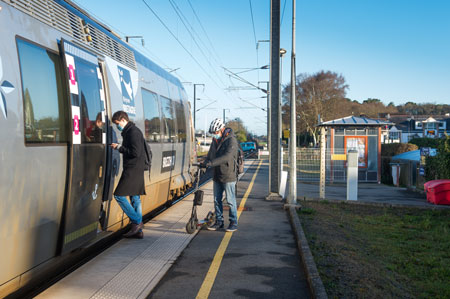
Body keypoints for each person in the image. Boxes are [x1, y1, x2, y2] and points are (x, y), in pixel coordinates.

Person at [110, 111, 146, 239]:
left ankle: (137, 222)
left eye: (117, 123)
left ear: (124, 120)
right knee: (135, 197)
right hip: (135, 168)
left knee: (118, 195)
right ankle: (138, 231)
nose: (117, 126)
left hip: (133, 169)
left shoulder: (133, 132)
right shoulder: (130, 131)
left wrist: (119, 148)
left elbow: (135, 152)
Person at [201, 118, 239, 232]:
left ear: (221, 130)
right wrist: (204, 163)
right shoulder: (215, 140)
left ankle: (233, 222)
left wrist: (211, 163)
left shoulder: (231, 141)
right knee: (217, 200)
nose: (214, 135)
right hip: (217, 174)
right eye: (213, 133)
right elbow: (210, 155)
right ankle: (219, 221)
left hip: (228, 175)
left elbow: (227, 157)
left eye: (216, 133)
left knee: (230, 200)